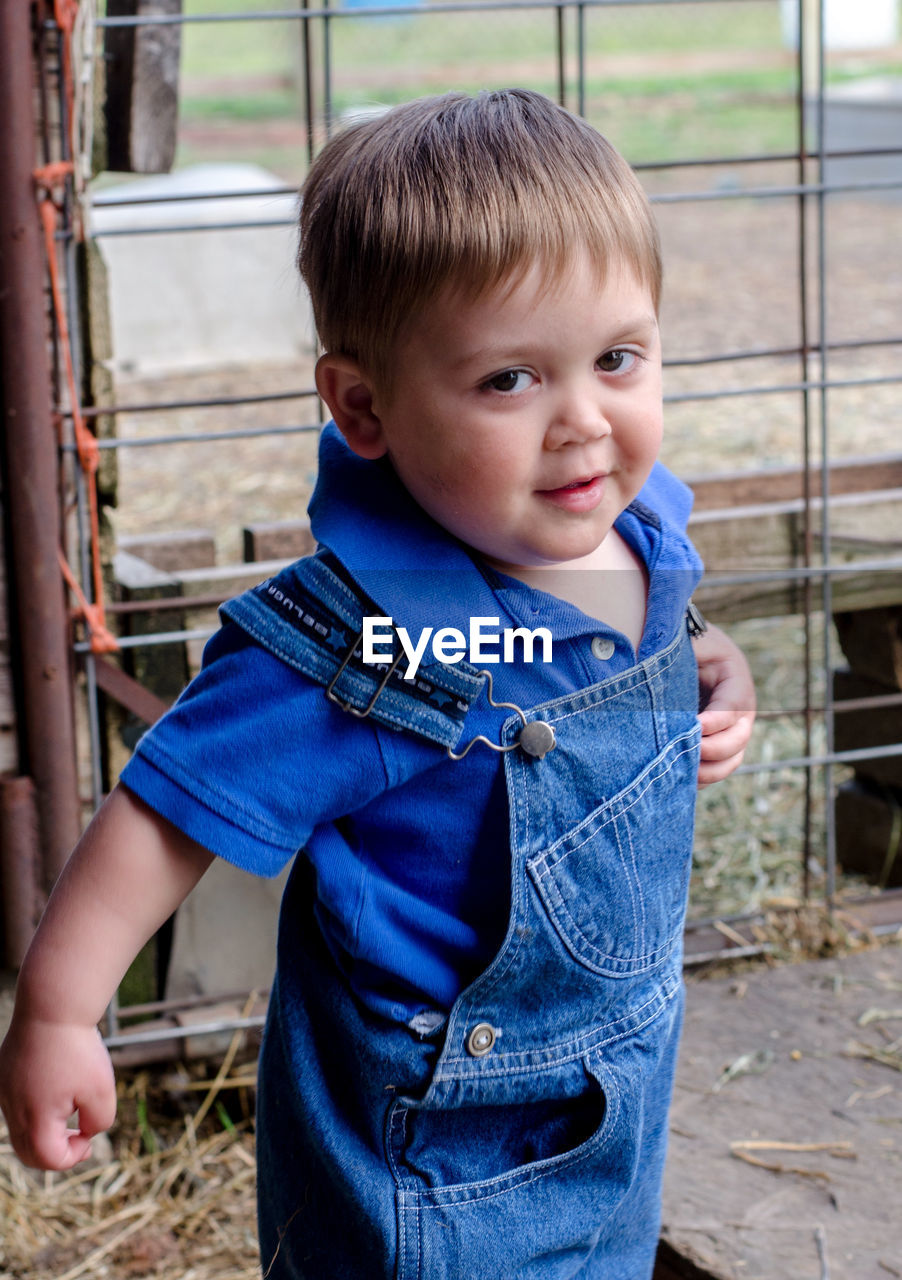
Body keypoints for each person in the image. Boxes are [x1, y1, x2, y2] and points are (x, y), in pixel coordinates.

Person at [0, 89, 755, 1278]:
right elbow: (165, 808)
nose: (583, 425)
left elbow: (645, 637)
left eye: (616, 358)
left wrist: (709, 672)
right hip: (435, 1162)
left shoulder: (632, 529)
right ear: (363, 405)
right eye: (509, 381)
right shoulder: (362, 644)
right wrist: (56, 1011)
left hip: (612, 1102)